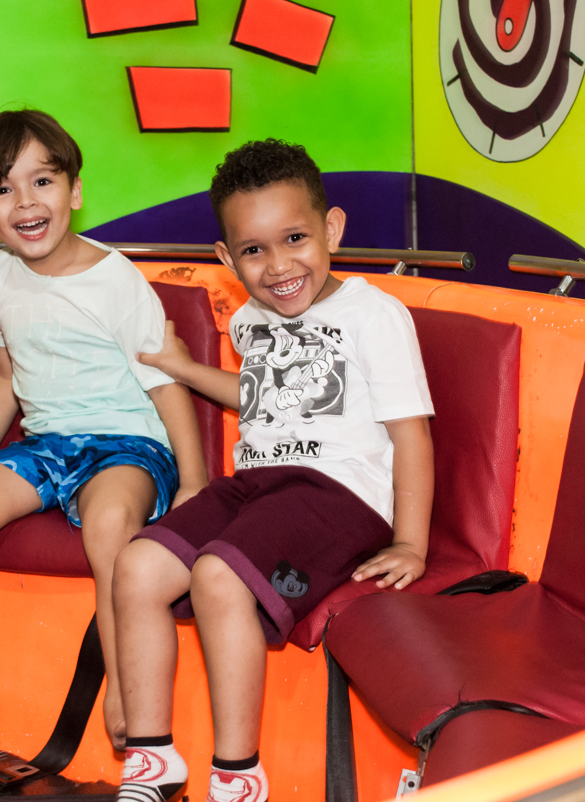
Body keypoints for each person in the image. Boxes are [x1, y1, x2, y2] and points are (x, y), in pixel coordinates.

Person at [113, 139, 435, 802]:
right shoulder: (252, 322)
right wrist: (184, 370)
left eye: (295, 238)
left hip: (341, 492)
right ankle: (153, 761)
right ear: (227, 259)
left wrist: (411, 540)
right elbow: (260, 395)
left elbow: (411, 433)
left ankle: (238, 775)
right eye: (255, 250)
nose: (279, 265)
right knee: (138, 564)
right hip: (259, 481)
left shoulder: (374, 316)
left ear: (332, 229)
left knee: (218, 572)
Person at [0, 109, 208, 772]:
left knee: (108, 527)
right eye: (3, 189)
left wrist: (193, 481)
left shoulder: (115, 280)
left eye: (42, 181)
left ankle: (126, 679)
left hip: (128, 444)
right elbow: (7, 374)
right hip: (46, 443)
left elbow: (165, 385)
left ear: (74, 190)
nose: (26, 202)